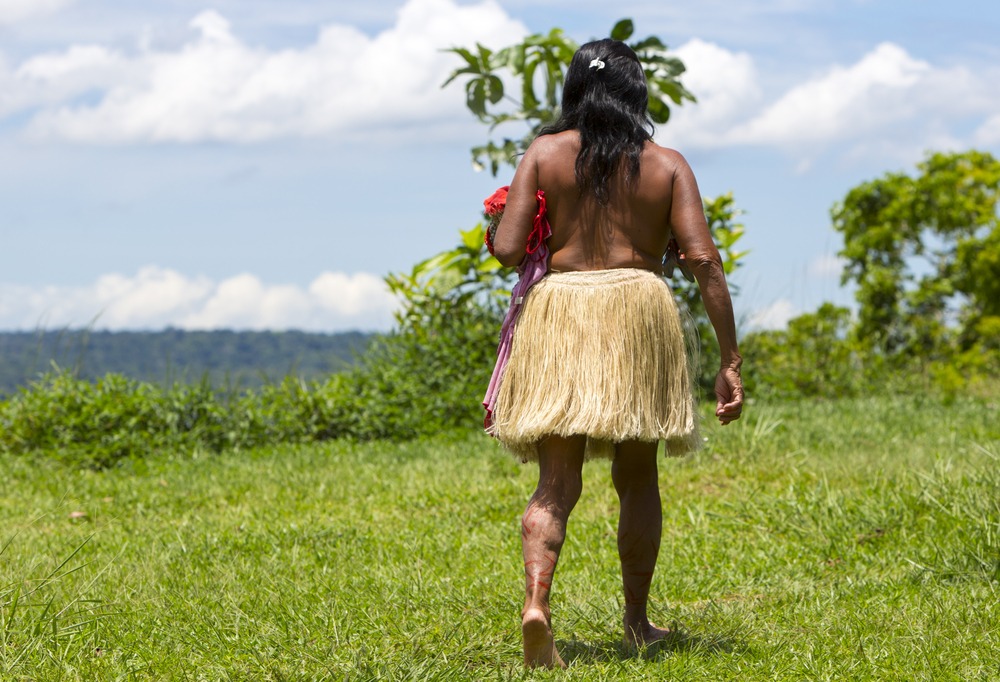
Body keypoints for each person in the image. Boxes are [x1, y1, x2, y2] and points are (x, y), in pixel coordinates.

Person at [485, 38, 744, 668]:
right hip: (638, 308)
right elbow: (703, 260)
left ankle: (537, 603)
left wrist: (498, 220)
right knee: (637, 477)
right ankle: (635, 620)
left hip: (561, 310)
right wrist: (729, 357)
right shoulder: (667, 164)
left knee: (557, 479)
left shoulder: (545, 154)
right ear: (637, 93)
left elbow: (509, 249)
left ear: (575, 89)